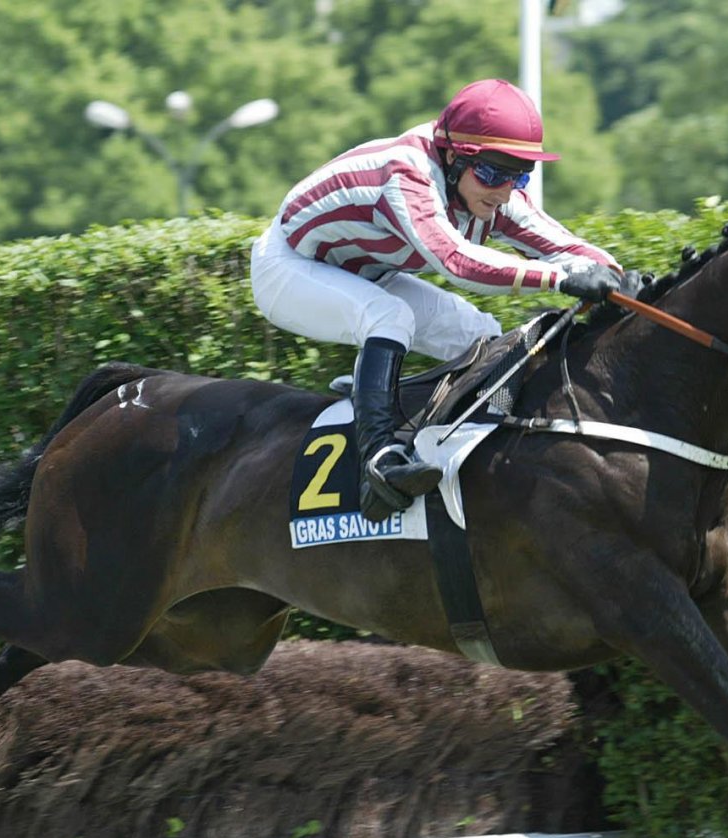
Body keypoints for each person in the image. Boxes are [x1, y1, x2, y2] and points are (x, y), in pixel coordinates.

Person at [251, 78, 623, 522]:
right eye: (492, 174)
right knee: (389, 316)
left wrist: (618, 274)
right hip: (287, 266)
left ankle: (422, 416)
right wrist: (560, 279)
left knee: (485, 339)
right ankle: (378, 459)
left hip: (366, 272)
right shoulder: (407, 175)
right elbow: (456, 262)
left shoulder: (492, 192)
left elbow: (566, 247)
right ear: (452, 157)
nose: (504, 191)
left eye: (519, 175)